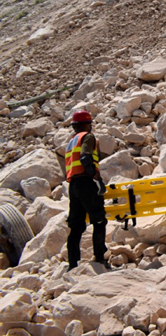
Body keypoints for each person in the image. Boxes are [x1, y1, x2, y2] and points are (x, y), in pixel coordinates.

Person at [64, 110, 107, 270]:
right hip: (85, 182)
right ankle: (100, 258)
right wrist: (96, 177)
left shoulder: (71, 142)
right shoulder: (87, 137)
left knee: (76, 225)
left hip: (73, 185)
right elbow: (85, 157)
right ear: (87, 125)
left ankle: (72, 263)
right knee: (99, 220)